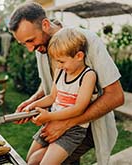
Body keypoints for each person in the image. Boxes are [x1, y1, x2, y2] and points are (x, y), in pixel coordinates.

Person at [8, 2, 124, 164]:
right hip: (57, 118)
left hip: (86, 126)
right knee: (33, 159)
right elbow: (52, 83)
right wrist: (32, 102)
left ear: (45, 24)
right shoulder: (41, 45)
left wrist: (66, 123)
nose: (29, 48)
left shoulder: (88, 40)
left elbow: (116, 96)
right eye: (24, 44)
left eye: (30, 40)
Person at [24, 28, 98, 164]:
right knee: (31, 159)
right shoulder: (60, 71)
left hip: (73, 130)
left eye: (62, 61)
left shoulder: (88, 76)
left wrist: (49, 116)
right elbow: (52, 97)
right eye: (56, 61)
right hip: (52, 122)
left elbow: (79, 108)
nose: (59, 65)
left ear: (79, 56)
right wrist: (33, 105)